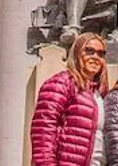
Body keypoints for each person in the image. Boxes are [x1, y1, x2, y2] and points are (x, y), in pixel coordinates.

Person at [31, 32, 110, 166]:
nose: (95, 57)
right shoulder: (60, 83)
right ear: (77, 53)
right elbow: (43, 132)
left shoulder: (100, 93)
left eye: (101, 53)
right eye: (89, 51)